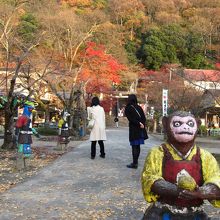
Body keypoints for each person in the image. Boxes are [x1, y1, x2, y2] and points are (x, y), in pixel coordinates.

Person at [141, 111, 220, 220]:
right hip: (164, 211)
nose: (185, 127)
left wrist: (201, 192)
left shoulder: (204, 156)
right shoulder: (158, 153)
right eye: (177, 124)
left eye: (190, 124)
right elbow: (150, 178)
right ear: (165, 124)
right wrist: (177, 191)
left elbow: (216, 180)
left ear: (197, 125)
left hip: (194, 211)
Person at [125, 94, 148, 169]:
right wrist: (142, 124)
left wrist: (138, 123)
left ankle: (134, 163)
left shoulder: (128, 108)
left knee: (134, 146)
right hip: (140, 129)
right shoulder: (139, 107)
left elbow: (130, 119)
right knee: (137, 146)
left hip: (134, 129)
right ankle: (136, 162)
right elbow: (144, 118)